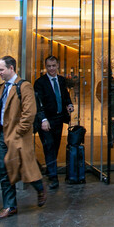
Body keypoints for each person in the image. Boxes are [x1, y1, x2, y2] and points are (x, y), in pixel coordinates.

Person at [0, 56, 46, 220]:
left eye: (1, 70)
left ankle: (40, 187)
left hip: (16, 135)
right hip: (1, 134)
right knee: (4, 170)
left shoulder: (24, 86)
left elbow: (30, 112)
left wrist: (19, 131)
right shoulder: (1, 88)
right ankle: (10, 206)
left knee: (24, 167)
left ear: (11, 68)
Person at [34, 55, 75, 189]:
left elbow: (65, 95)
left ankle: (50, 169)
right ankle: (53, 177)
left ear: (58, 66)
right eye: (49, 66)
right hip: (46, 120)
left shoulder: (62, 80)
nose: (51, 69)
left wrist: (69, 104)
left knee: (55, 146)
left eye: (54, 66)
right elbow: (38, 103)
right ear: (45, 67)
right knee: (49, 146)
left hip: (58, 119)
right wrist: (43, 119)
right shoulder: (40, 83)